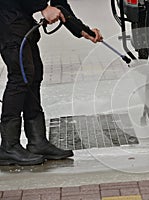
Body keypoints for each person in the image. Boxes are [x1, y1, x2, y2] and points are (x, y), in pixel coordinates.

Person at [0, 0, 103, 166]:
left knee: (33, 75)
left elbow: (59, 2)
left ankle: (37, 141)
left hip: (20, 21)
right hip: (7, 19)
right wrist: (42, 7)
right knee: (20, 77)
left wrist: (82, 30)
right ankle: (8, 146)